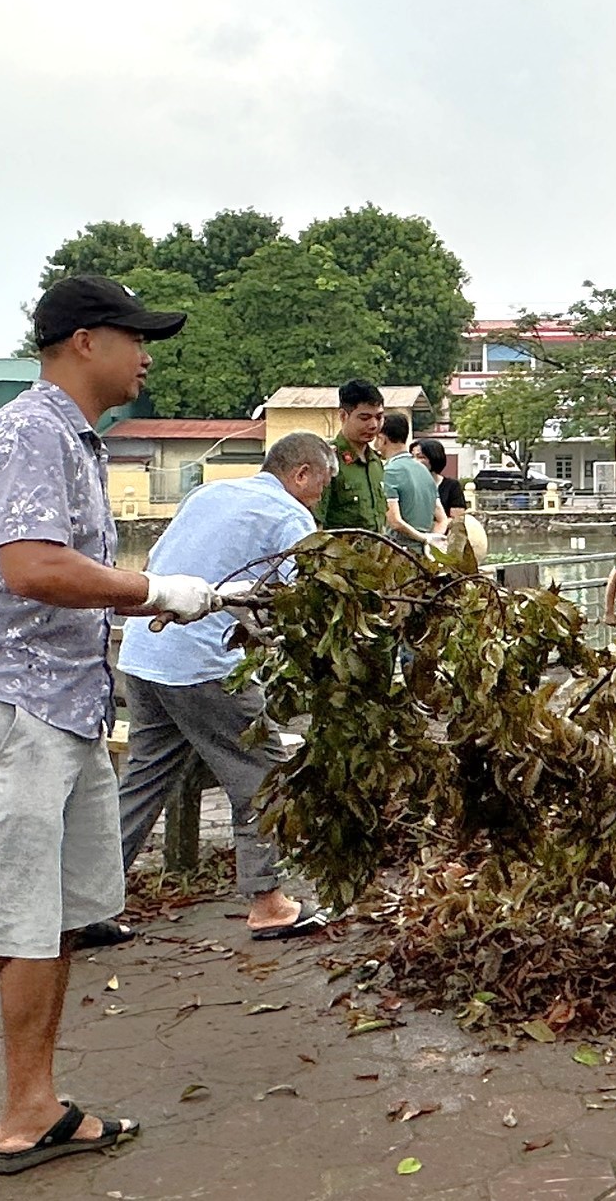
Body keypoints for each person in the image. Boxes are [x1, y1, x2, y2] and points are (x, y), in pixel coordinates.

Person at [0, 277, 219, 1201]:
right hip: (7, 717)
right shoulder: (29, 432)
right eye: (136, 337)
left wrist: (185, 602)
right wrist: (152, 592)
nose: (148, 354)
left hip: (64, 709)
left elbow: (59, 569)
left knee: (56, 925)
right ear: (82, 341)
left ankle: (31, 1110)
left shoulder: (72, 438)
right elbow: (31, 569)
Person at [111, 432, 337, 941]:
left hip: (144, 655)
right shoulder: (291, 518)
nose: (324, 491)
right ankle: (268, 902)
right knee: (262, 776)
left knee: (144, 779)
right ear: (301, 473)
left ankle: (86, 901)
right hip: (202, 666)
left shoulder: (209, 493)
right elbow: (299, 600)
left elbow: (157, 565)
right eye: (324, 480)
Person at [316, 379, 388, 531]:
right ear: (343, 416)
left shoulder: (376, 462)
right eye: (364, 418)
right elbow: (316, 525)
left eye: (379, 417)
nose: (374, 425)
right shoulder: (327, 461)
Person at [380, 409, 444, 549]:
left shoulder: (390, 471)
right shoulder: (424, 471)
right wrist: (432, 543)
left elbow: (395, 521)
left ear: (382, 438)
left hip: (399, 553)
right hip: (423, 556)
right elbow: (442, 519)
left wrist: (424, 539)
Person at [419, 438, 467, 517]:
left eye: (421, 457)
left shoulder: (452, 486)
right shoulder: (408, 484)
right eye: (412, 457)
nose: (414, 461)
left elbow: (457, 519)